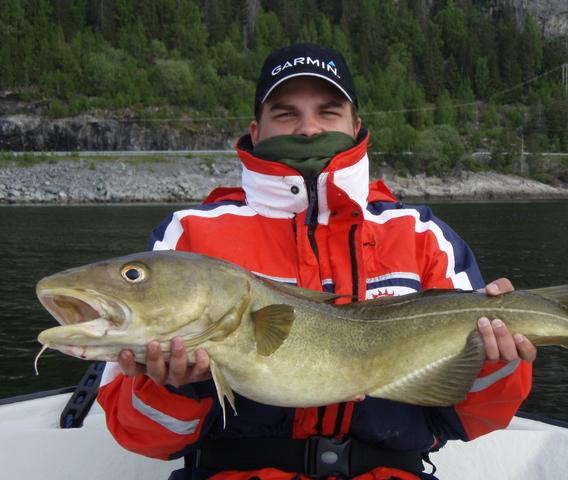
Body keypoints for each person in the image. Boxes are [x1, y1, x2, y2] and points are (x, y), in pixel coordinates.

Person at [97, 43, 536, 480]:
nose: (308, 129)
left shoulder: (421, 236)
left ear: (356, 124)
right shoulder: (189, 237)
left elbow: (469, 420)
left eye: (328, 112)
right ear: (256, 129)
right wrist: (178, 388)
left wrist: (497, 366)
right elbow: (142, 437)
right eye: (286, 113)